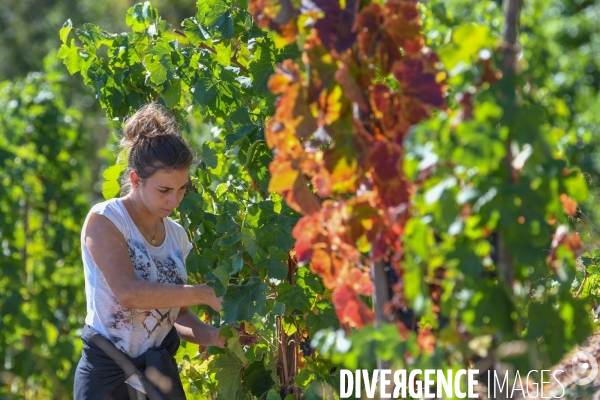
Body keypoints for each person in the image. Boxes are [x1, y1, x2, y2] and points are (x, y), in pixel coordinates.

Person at [73, 103, 256, 400]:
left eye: (182, 189)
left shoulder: (176, 236)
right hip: (107, 379)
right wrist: (203, 293)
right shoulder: (106, 220)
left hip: (158, 378)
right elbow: (128, 293)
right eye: (164, 190)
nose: (175, 200)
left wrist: (212, 336)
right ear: (135, 180)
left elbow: (175, 314)